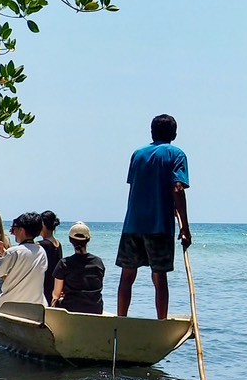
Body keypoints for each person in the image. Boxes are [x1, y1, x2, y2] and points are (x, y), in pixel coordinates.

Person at [117, 114, 190, 319]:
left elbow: (133, 189)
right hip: (159, 226)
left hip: (132, 223)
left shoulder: (138, 154)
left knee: (127, 274)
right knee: (159, 276)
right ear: (174, 134)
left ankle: (121, 319)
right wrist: (185, 227)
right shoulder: (177, 154)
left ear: (152, 132)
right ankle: (161, 321)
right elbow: (177, 189)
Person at [0, 212, 48, 312]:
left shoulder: (14, 252)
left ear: (21, 230)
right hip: (36, 306)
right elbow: (24, 260)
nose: (12, 232)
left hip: (9, 305)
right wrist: (4, 251)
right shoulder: (41, 251)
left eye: (14, 228)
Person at [52, 222, 106, 315]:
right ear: (88, 240)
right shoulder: (98, 262)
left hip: (71, 309)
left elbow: (56, 295)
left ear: (70, 240)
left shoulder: (64, 263)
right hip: (95, 309)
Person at [37, 210, 63, 305]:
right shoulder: (58, 244)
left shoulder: (42, 244)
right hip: (55, 284)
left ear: (43, 225)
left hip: (44, 283)